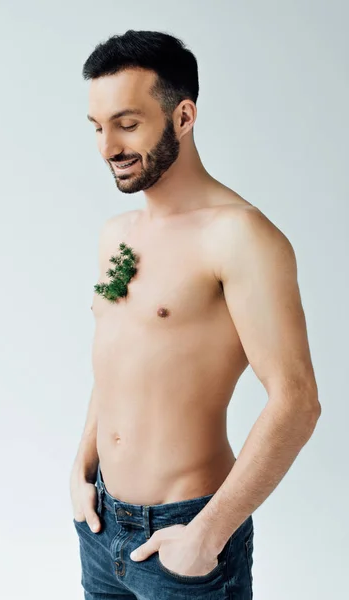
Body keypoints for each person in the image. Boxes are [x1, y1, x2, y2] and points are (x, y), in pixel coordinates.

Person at [69, 29, 321, 599]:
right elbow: (118, 364)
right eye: (97, 127)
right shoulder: (117, 234)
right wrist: (81, 469)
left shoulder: (240, 237)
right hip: (100, 525)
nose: (108, 146)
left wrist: (207, 534)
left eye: (128, 124)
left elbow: (297, 401)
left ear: (183, 116)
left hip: (186, 535)